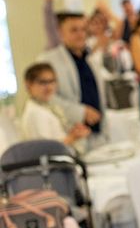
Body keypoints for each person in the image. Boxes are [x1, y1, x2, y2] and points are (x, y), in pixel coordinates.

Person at [38, 13, 104, 143]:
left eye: (83, 29)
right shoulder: (48, 61)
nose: (80, 34)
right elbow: (46, 97)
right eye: (74, 30)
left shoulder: (91, 59)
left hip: (98, 134)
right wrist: (81, 112)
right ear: (61, 32)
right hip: (71, 134)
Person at [21, 62, 91, 148]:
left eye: (52, 81)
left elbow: (56, 138)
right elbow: (45, 150)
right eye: (43, 82)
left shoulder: (47, 106)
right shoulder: (35, 113)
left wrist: (74, 133)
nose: (49, 87)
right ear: (28, 85)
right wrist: (72, 137)